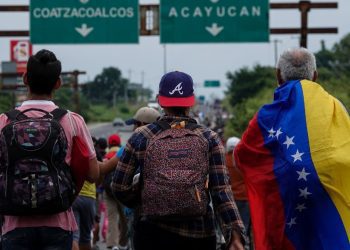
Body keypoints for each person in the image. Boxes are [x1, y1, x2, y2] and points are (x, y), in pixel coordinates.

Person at [111, 71, 245, 250]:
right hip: (199, 234)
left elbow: (119, 186)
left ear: (160, 100)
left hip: (151, 233)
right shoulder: (209, 138)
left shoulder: (141, 136)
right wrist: (234, 233)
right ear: (192, 101)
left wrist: (146, 198)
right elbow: (221, 191)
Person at [234, 48, 350, 250]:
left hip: (286, 214)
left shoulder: (266, 117)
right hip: (331, 209)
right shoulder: (336, 108)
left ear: (278, 75)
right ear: (315, 75)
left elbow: (241, 158)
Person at [0, 49, 99, 250]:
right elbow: (93, 174)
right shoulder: (72, 121)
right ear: (58, 83)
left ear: (25, 78)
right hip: (58, 223)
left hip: (14, 225)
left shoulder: (3, 121)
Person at [99, 106, 161, 249]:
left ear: (142, 125)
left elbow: (104, 169)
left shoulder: (132, 144)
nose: (133, 128)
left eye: (135, 124)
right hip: (160, 210)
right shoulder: (165, 143)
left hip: (137, 211)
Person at [102, 134, 128, 250]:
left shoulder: (106, 155)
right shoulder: (124, 152)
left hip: (108, 191)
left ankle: (112, 244)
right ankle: (123, 243)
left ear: (109, 143)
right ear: (118, 142)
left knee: (111, 217)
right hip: (121, 190)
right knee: (124, 218)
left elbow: (102, 172)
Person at [225, 137, 251, 249]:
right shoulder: (244, 159)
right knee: (244, 224)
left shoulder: (224, 159)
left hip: (230, 198)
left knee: (232, 225)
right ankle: (244, 245)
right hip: (245, 197)